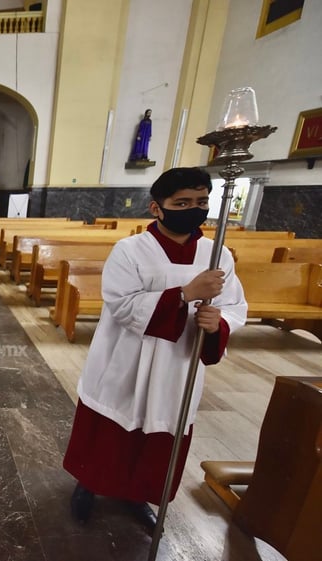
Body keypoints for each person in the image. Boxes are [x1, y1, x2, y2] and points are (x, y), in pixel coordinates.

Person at [63, 167, 248, 532]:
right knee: (109, 427)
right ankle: (89, 484)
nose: (193, 209)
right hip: (125, 356)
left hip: (177, 364)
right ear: (156, 207)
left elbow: (234, 306)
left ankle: (139, 494)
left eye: (200, 202)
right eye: (181, 202)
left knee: (161, 431)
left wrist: (219, 323)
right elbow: (121, 304)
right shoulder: (130, 250)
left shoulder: (217, 255)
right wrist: (184, 294)